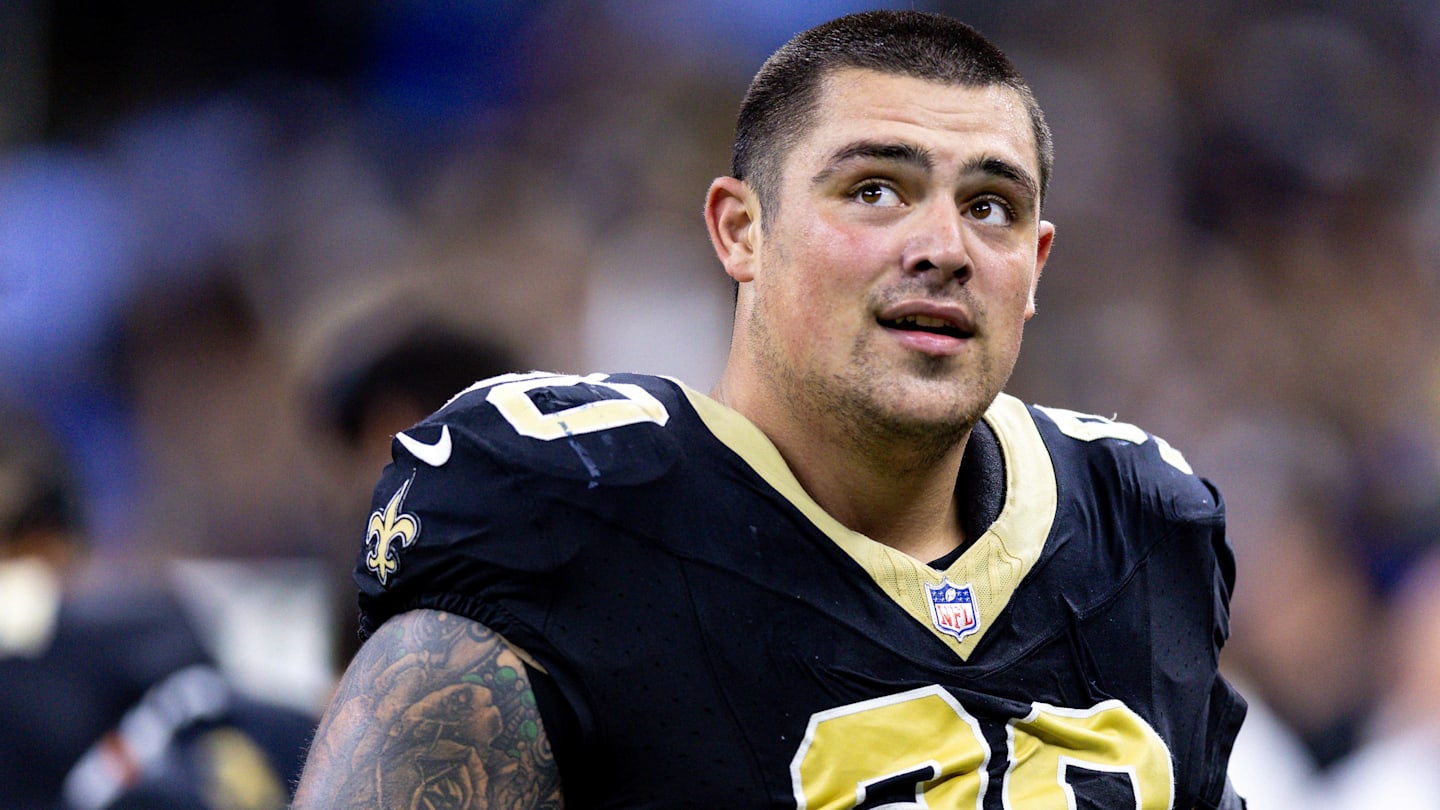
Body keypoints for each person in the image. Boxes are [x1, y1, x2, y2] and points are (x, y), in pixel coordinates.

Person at [294, 10, 1247, 809]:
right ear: (742, 231)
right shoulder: (570, 510)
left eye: (991, 205)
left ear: (1035, 267)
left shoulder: (1140, 528)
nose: (944, 246)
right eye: (876, 190)